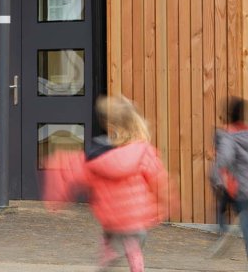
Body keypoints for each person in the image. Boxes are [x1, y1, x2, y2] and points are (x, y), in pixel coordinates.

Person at [44, 95, 169, 272]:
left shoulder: (97, 153)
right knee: (133, 244)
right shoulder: (143, 152)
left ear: (109, 125)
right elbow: (158, 179)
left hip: (111, 217)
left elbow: (71, 172)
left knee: (111, 237)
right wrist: (164, 204)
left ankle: (108, 257)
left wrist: (58, 198)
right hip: (134, 217)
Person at [209, 97, 248, 272]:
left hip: (231, 185)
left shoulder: (229, 134)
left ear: (230, 114)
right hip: (245, 187)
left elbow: (225, 159)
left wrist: (214, 175)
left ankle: (223, 230)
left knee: (221, 205)